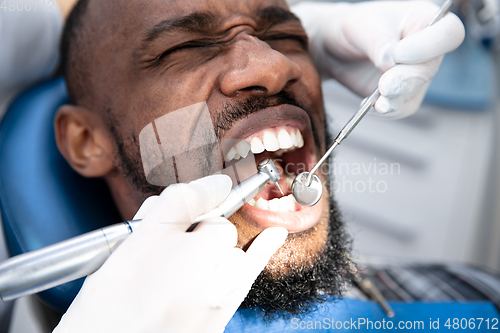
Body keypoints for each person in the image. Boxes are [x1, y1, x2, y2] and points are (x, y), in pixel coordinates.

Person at [0, 0, 469, 332]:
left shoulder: (469, 297)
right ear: (86, 143)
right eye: (183, 48)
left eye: (285, 37)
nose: (273, 66)